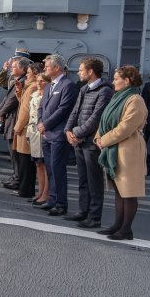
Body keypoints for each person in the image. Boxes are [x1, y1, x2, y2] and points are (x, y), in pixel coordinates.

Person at [96, 66, 149, 240]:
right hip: (116, 148)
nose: (113, 81)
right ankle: (118, 225)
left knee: (129, 192)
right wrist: (98, 136)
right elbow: (105, 120)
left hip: (129, 151)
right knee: (120, 190)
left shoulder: (135, 100)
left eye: (116, 78)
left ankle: (126, 229)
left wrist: (104, 140)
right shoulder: (118, 97)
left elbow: (126, 127)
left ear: (126, 81)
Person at [62, 57, 114, 228]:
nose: (79, 72)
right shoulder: (84, 89)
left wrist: (76, 133)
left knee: (94, 181)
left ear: (91, 71)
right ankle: (83, 210)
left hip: (91, 143)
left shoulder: (104, 91)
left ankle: (94, 216)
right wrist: (68, 130)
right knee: (83, 179)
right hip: (79, 141)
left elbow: (96, 118)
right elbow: (75, 112)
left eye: (81, 69)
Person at [37, 54, 77, 216]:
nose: (45, 69)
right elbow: (41, 107)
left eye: (47, 67)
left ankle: (61, 203)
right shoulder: (49, 86)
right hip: (46, 133)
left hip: (58, 134)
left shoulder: (68, 86)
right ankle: (52, 199)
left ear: (57, 68)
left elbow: (63, 109)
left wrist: (45, 124)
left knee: (58, 169)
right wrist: (41, 122)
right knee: (50, 169)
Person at [0, 57, 30, 190]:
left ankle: (18, 178)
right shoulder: (17, 80)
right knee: (13, 151)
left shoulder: (23, 81)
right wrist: (0, 110)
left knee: (15, 152)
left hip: (15, 118)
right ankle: (16, 175)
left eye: (14, 66)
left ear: (22, 69)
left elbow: (12, 101)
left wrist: (1, 112)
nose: (11, 68)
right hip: (11, 117)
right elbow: (7, 97)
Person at [11, 63, 40, 198]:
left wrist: (17, 127)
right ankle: (24, 187)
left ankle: (25, 189)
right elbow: (23, 103)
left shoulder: (33, 86)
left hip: (25, 128)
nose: (27, 75)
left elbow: (27, 110)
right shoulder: (30, 87)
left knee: (25, 161)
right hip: (24, 127)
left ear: (34, 73)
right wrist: (19, 92)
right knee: (23, 160)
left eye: (28, 72)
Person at [24, 73, 51, 206]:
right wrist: (28, 134)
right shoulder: (34, 95)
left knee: (45, 164)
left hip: (43, 130)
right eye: (38, 81)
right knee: (38, 164)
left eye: (42, 81)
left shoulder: (48, 96)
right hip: (33, 130)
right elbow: (30, 115)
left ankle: (46, 193)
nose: (39, 83)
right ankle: (40, 192)